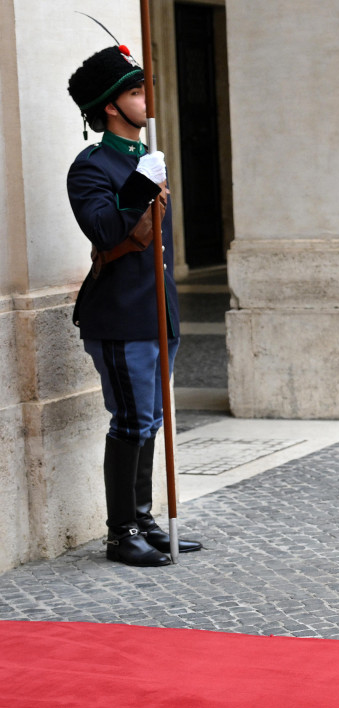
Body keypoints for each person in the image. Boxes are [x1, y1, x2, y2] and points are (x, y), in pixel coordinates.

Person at [67, 44, 202, 567]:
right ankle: (121, 533)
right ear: (109, 107)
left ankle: (145, 521)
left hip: (155, 312)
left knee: (149, 421)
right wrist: (142, 184)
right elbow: (103, 229)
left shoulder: (144, 159)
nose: (147, 99)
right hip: (120, 315)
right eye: (135, 91)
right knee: (130, 419)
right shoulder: (91, 167)